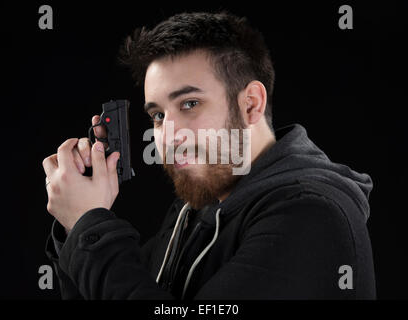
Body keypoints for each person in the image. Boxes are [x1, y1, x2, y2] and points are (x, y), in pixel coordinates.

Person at [42, 12, 375, 299]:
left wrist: (91, 227)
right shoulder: (199, 210)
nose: (168, 136)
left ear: (250, 104)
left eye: (189, 104)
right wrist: (77, 223)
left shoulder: (312, 215)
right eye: (158, 115)